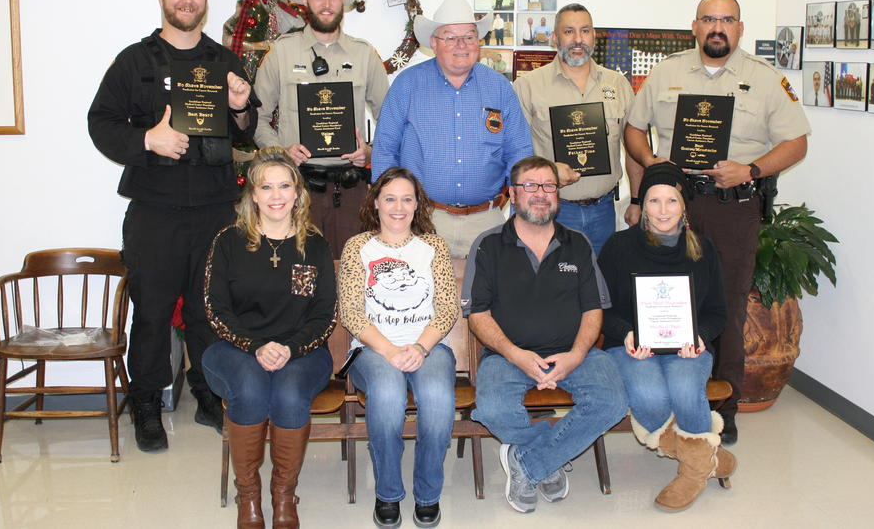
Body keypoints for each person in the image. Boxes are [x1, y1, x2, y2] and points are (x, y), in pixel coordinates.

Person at [624, 0, 810, 445]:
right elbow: (632, 128)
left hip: (732, 207)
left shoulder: (764, 79)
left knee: (725, 305)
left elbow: (797, 142)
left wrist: (751, 169)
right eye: (709, 19)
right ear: (694, 26)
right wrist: (651, 166)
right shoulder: (666, 72)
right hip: (672, 206)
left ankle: (723, 407)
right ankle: (664, 401)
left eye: (727, 20)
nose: (717, 27)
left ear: (740, 28)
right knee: (659, 295)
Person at [88, 0, 257, 451]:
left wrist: (242, 104)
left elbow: (245, 132)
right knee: (153, 311)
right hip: (155, 209)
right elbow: (100, 123)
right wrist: (148, 139)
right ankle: (145, 405)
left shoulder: (225, 60)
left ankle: (208, 395)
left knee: (210, 311)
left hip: (214, 206)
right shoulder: (134, 61)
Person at [465, 156, 628, 514]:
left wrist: (576, 354)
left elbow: (593, 309)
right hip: (507, 357)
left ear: (558, 193)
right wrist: (515, 354)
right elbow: (477, 314)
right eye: (530, 186)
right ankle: (548, 458)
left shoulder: (578, 243)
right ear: (512, 194)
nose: (540, 194)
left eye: (549, 186)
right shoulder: (488, 244)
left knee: (612, 402)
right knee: (491, 408)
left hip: (573, 352)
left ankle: (529, 462)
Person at [203, 147, 336, 529]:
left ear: (297, 192)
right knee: (249, 388)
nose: (276, 196)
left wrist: (290, 348)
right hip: (236, 348)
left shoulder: (315, 245)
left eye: (284, 186)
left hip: (304, 351)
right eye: (267, 187)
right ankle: (248, 496)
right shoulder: (228, 242)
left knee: (290, 395)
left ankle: (283, 495)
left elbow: (324, 313)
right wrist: (254, 346)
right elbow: (215, 309)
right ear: (253, 194)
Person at [597, 162, 735, 512]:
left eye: (671, 201)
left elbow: (718, 311)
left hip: (687, 347)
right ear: (642, 206)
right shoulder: (618, 246)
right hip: (631, 346)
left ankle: (692, 474)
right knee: (649, 393)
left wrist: (702, 336)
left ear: (684, 205)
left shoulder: (703, 249)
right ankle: (708, 460)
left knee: (686, 390)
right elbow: (599, 309)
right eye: (653, 201)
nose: (662, 211)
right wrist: (626, 334)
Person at [338, 167, 460, 529]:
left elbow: (448, 307)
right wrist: (390, 351)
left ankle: (428, 495)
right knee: (388, 395)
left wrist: (421, 348)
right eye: (390, 198)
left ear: (417, 204)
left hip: (427, 347)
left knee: (438, 398)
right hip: (373, 349)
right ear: (375, 202)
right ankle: (388, 494)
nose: (398, 207)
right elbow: (351, 311)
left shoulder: (433, 247)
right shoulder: (358, 247)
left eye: (407, 199)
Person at [371, 0, 533, 258]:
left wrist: (521, 214)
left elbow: (520, 153)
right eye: (450, 37)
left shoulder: (500, 88)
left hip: (487, 221)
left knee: (487, 298)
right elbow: (385, 149)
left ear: (478, 41)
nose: (461, 45)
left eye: (469, 37)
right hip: (422, 220)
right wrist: (390, 214)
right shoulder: (407, 85)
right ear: (434, 43)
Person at [253, 0, 389, 257]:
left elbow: (392, 123)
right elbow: (257, 118)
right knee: (298, 277)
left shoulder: (364, 54)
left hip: (352, 192)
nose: (326, 3)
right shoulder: (281, 53)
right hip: (298, 189)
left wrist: (370, 152)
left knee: (351, 278)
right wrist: (280, 152)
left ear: (344, 0)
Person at [513, 3, 642, 255]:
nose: (577, 39)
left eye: (584, 31)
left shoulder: (618, 84)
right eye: (568, 31)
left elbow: (633, 146)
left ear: (594, 36)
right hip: (549, 210)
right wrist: (548, 172)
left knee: (599, 288)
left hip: (604, 211)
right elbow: (515, 152)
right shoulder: (528, 86)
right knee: (551, 288)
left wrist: (637, 200)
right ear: (554, 37)